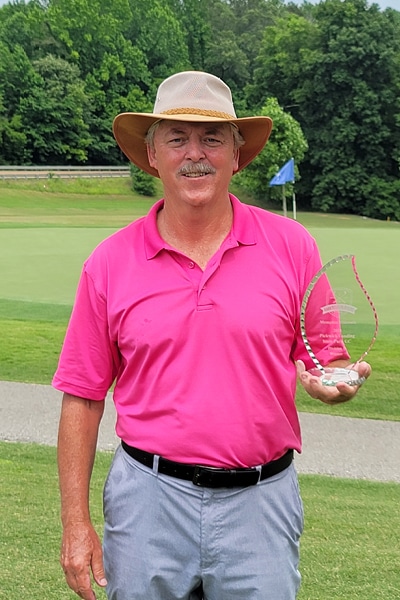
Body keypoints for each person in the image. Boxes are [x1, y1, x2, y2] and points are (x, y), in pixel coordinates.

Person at [53, 70, 371, 600]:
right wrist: (74, 524)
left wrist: (332, 382)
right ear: (152, 154)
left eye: (211, 138)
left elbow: (326, 357)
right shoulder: (108, 263)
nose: (194, 154)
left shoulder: (293, 247)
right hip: (147, 501)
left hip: (260, 502)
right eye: (176, 138)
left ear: (236, 152)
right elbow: (82, 397)